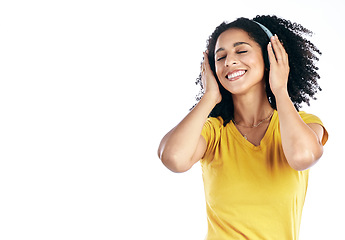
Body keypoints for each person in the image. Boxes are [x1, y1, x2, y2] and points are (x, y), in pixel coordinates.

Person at [158, 15, 328, 240]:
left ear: (270, 57)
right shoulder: (214, 132)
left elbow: (302, 156)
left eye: (241, 51)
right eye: (220, 57)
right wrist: (209, 97)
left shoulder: (304, 123)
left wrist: (280, 89)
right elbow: (173, 158)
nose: (229, 61)